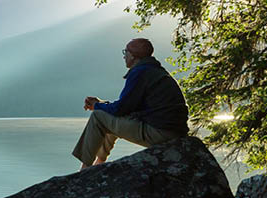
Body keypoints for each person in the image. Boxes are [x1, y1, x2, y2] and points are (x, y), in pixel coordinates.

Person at [72, 38, 188, 170]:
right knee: (107, 115)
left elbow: (121, 109)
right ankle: (99, 163)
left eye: (126, 51)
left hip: (161, 134)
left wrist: (97, 106)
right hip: (172, 132)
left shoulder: (140, 72)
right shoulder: (154, 71)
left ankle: (85, 170)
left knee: (98, 116)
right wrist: (101, 103)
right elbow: (128, 107)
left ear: (133, 56)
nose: (124, 55)